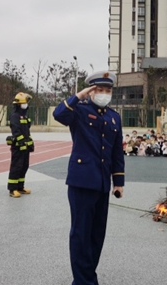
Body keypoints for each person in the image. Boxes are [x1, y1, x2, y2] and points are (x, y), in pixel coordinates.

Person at [52, 71, 124, 285]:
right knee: (81, 234)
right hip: (82, 182)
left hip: (102, 184)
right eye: (99, 90)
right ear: (91, 91)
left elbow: (116, 153)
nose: (104, 94)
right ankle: (84, 282)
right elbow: (59, 115)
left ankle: (86, 277)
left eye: (107, 90)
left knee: (96, 235)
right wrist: (79, 95)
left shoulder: (114, 117)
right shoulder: (79, 112)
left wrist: (118, 182)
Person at [6, 93, 34, 198]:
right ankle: (12, 189)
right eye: (25, 103)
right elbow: (16, 131)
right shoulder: (14, 116)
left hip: (25, 147)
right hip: (18, 147)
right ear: (19, 104)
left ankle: (20, 187)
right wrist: (22, 142)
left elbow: (27, 131)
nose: (26, 105)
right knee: (16, 167)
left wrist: (30, 143)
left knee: (24, 167)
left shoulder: (24, 116)